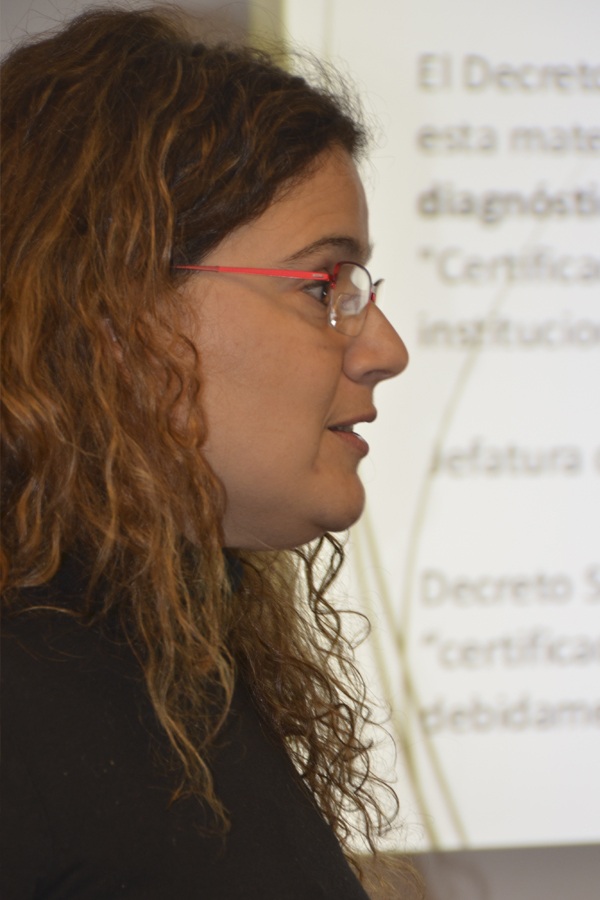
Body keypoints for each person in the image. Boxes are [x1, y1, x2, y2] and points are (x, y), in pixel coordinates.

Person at [0, 7, 410, 898]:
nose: (386, 349)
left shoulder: (159, 655)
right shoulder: (32, 708)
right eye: (323, 286)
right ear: (115, 314)